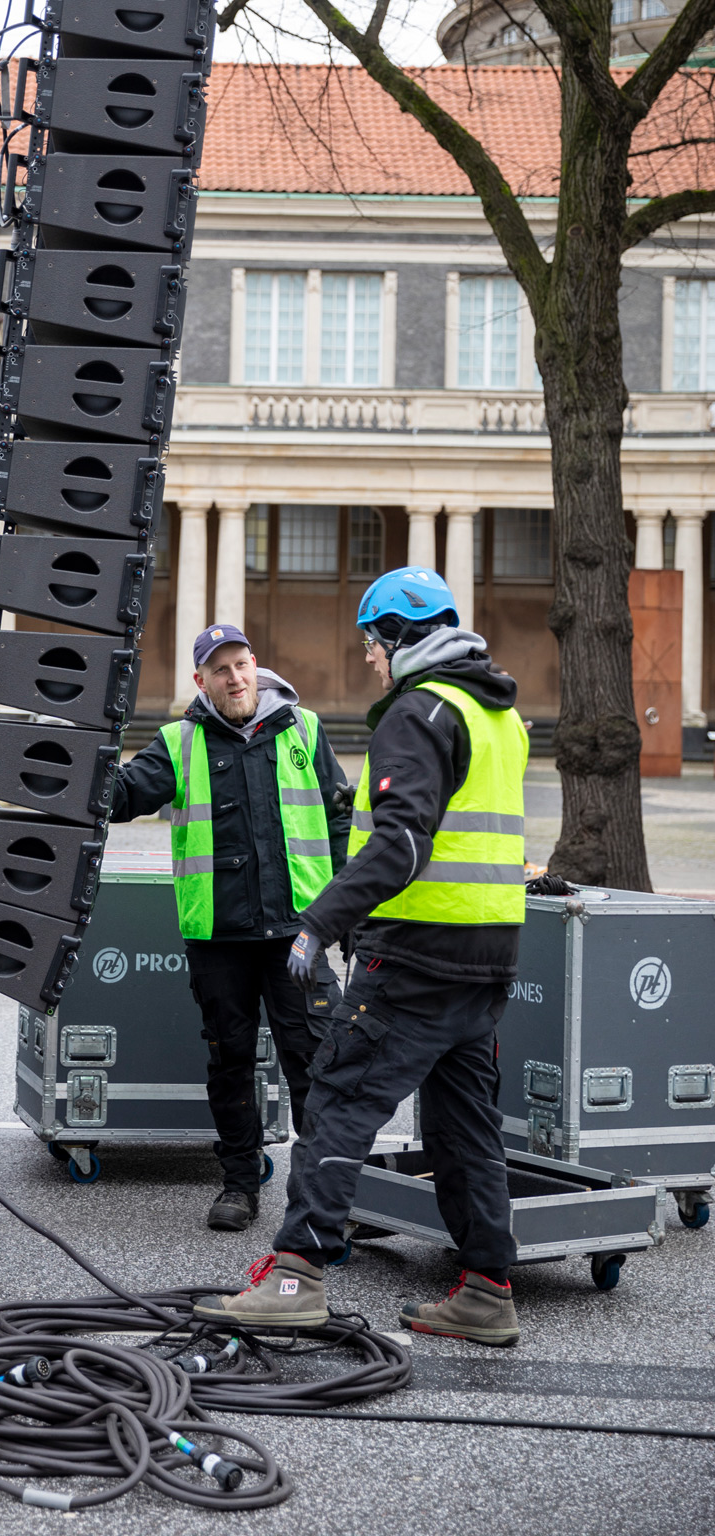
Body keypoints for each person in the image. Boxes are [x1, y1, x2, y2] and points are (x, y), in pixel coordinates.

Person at [196, 567, 528, 1346]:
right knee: (466, 1126)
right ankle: (487, 1289)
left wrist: (320, 919)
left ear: (395, 638)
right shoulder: (496, 714)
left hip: (414, 957)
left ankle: (295, 1276)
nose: (370, 660)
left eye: (372, 645)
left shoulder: (417, 712)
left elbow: (404, 838)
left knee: (339, 1101)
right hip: (487, 956)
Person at [110, 624, 352, 1231]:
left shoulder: (305, 730)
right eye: (220, 670)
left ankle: (323, 1195)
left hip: (299, 931)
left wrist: (350, 914)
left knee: (314, 1060)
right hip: (219, 936)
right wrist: (76, 754)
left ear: (256, 666)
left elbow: (340, 821)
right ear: (201, 682)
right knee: (231, 1060)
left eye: (242, 664)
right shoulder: (179, 741)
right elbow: (120, 797)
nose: (235, 677)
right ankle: (240, 1185)